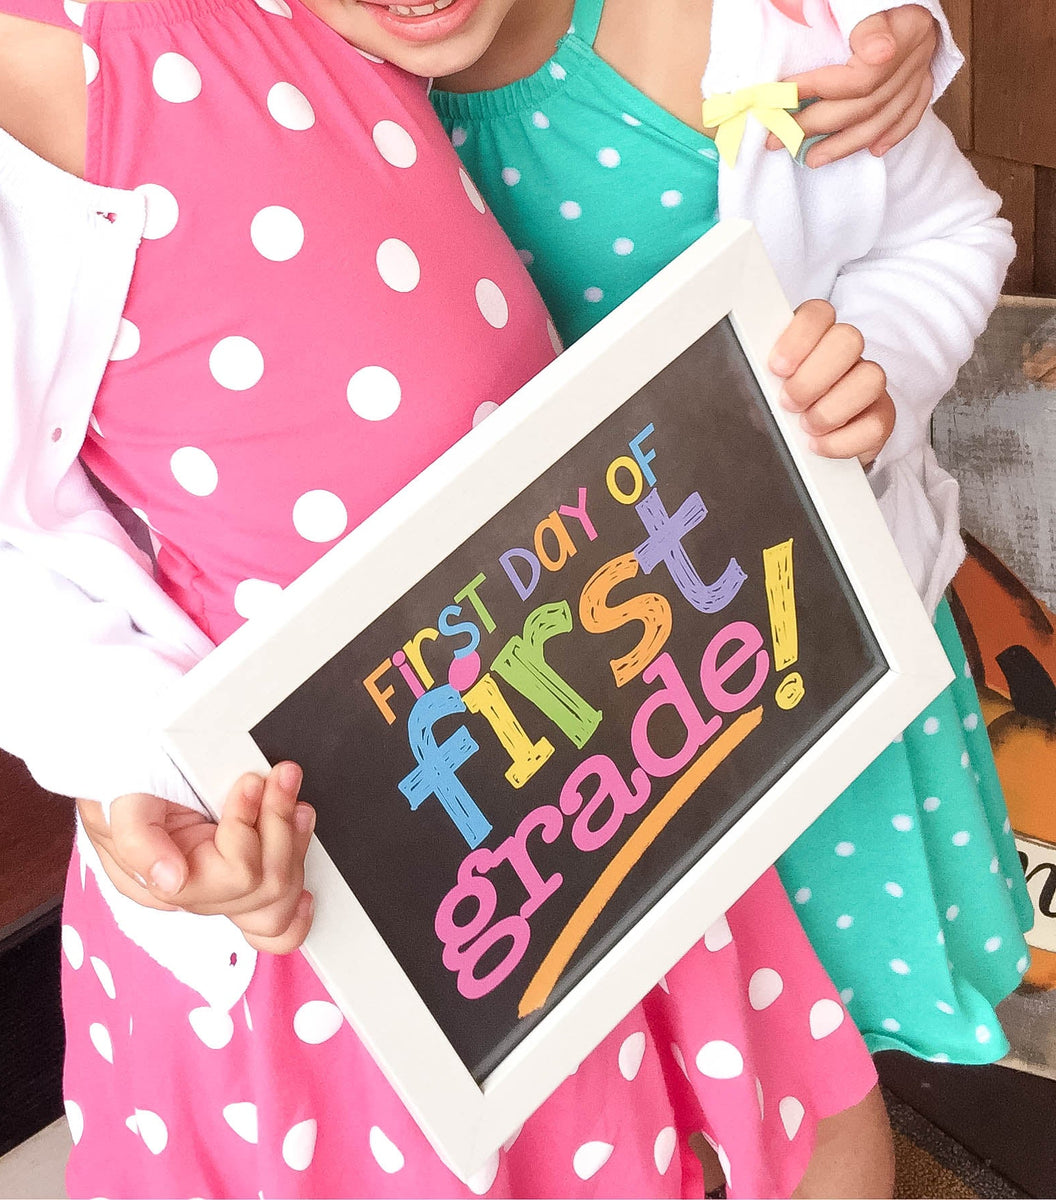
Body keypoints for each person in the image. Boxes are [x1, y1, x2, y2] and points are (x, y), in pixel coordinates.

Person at [0, 0, 969, 1196]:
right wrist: (140, 759)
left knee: (797, 1109)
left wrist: (879, 25)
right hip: (332, 839)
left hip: (579, 737)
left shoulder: (299, 11)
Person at [316, 0, 1033, 1099]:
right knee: (644, 1090)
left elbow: (949, 234)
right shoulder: (281, 103)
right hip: (546, 764)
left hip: (796, 659)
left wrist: (873, 368)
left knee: (821, 1066)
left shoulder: (733, 41)